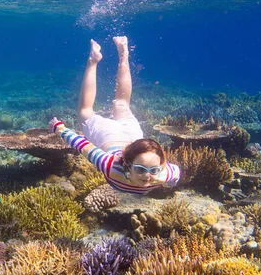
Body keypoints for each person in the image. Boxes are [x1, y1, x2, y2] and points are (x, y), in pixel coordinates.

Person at [49, 36, 180, 195]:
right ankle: (93, 61)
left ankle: (123, 54)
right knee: (86, 111)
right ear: (127, 164)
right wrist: (60, 129)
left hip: (132, 133)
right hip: (108, 133)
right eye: (139, 169)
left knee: (122, 103)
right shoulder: (110, 166)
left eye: (154, 170)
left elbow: (176, 173)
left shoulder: (164, 173)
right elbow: (83, 146)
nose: (147, 177)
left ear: (161, 166)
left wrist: (171, 183)